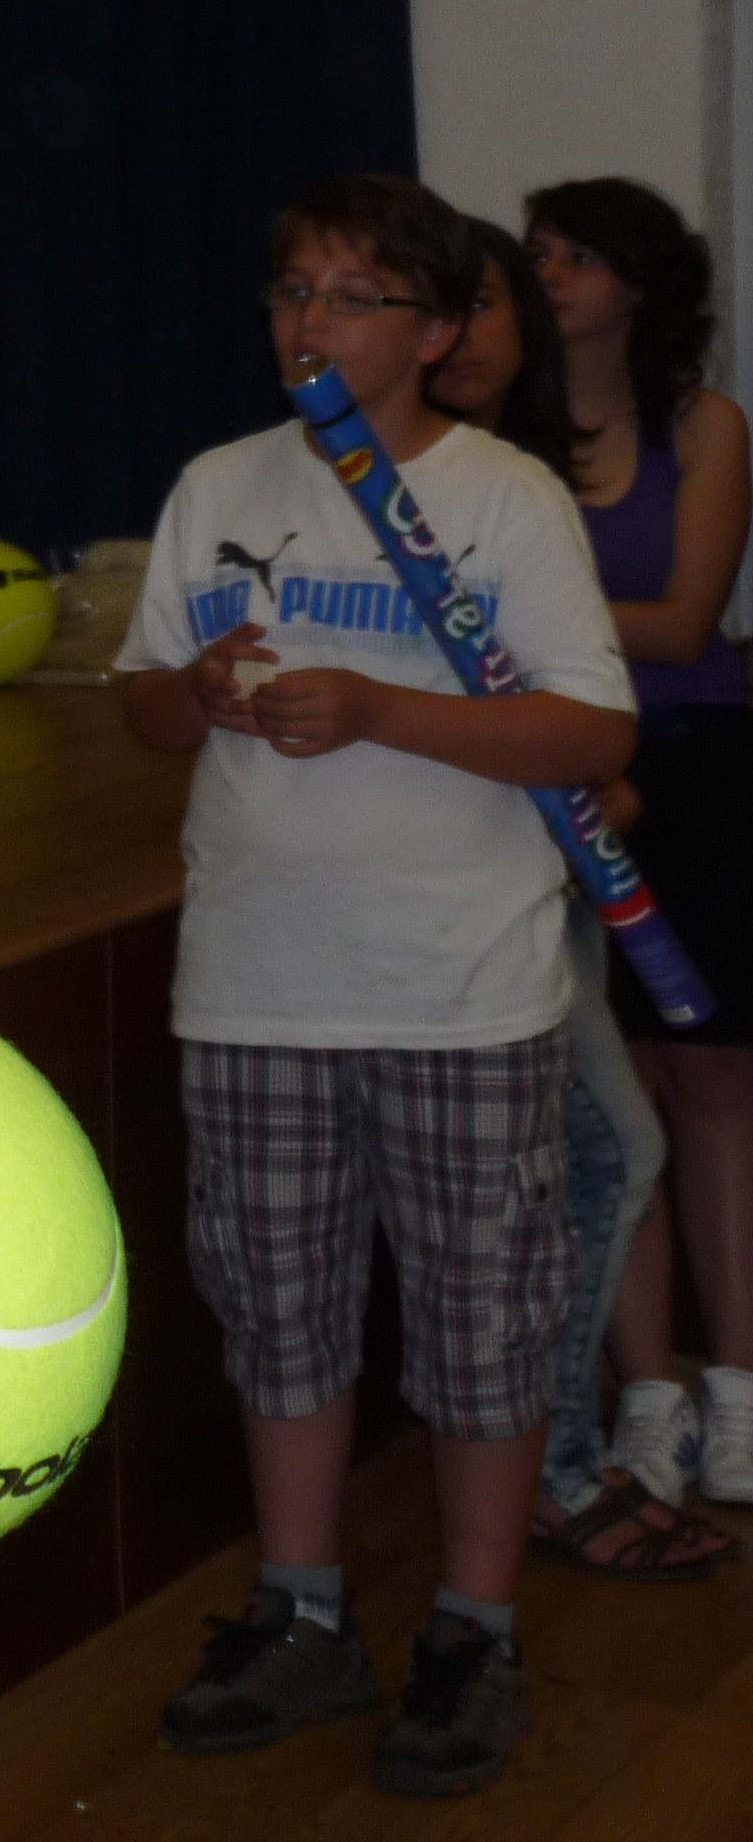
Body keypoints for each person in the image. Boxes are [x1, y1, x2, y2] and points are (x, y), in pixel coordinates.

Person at [118, 173, 637, 1799]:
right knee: (276, 1320)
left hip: (459, 990)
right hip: (252, 987)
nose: (310, 323)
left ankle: (474, 1630)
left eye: (352, 297)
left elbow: (591, 730)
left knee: (483, 1331)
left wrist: (376, 708)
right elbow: (141, 706)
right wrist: (198, 688)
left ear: (435, 332)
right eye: (293, 291)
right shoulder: (217, 485)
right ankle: (302, 1612)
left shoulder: (501, 500)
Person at [428, 218, 725, 1579]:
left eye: (491, 303)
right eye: (447, 304)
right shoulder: (401, 486)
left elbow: (586, 671)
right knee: (587, 1164)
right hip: (459, 878)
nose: (468, 332)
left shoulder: (529, 479)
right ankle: (550, 1470)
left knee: (608, 1156)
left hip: (550, 871)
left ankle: (567, 1455)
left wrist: (596, 776)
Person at [527, 177, 753, 1510]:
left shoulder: (704, 423)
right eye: (539, 253)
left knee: (714, 1084)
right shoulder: (503, 435)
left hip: (698, 766)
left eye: (577, 256)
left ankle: (741, 1392)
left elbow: (686, 622)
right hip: (566, 772)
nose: (550, 274)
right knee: (615, 1099)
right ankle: (649, 1397)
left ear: (640, 285)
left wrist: (526, 609)